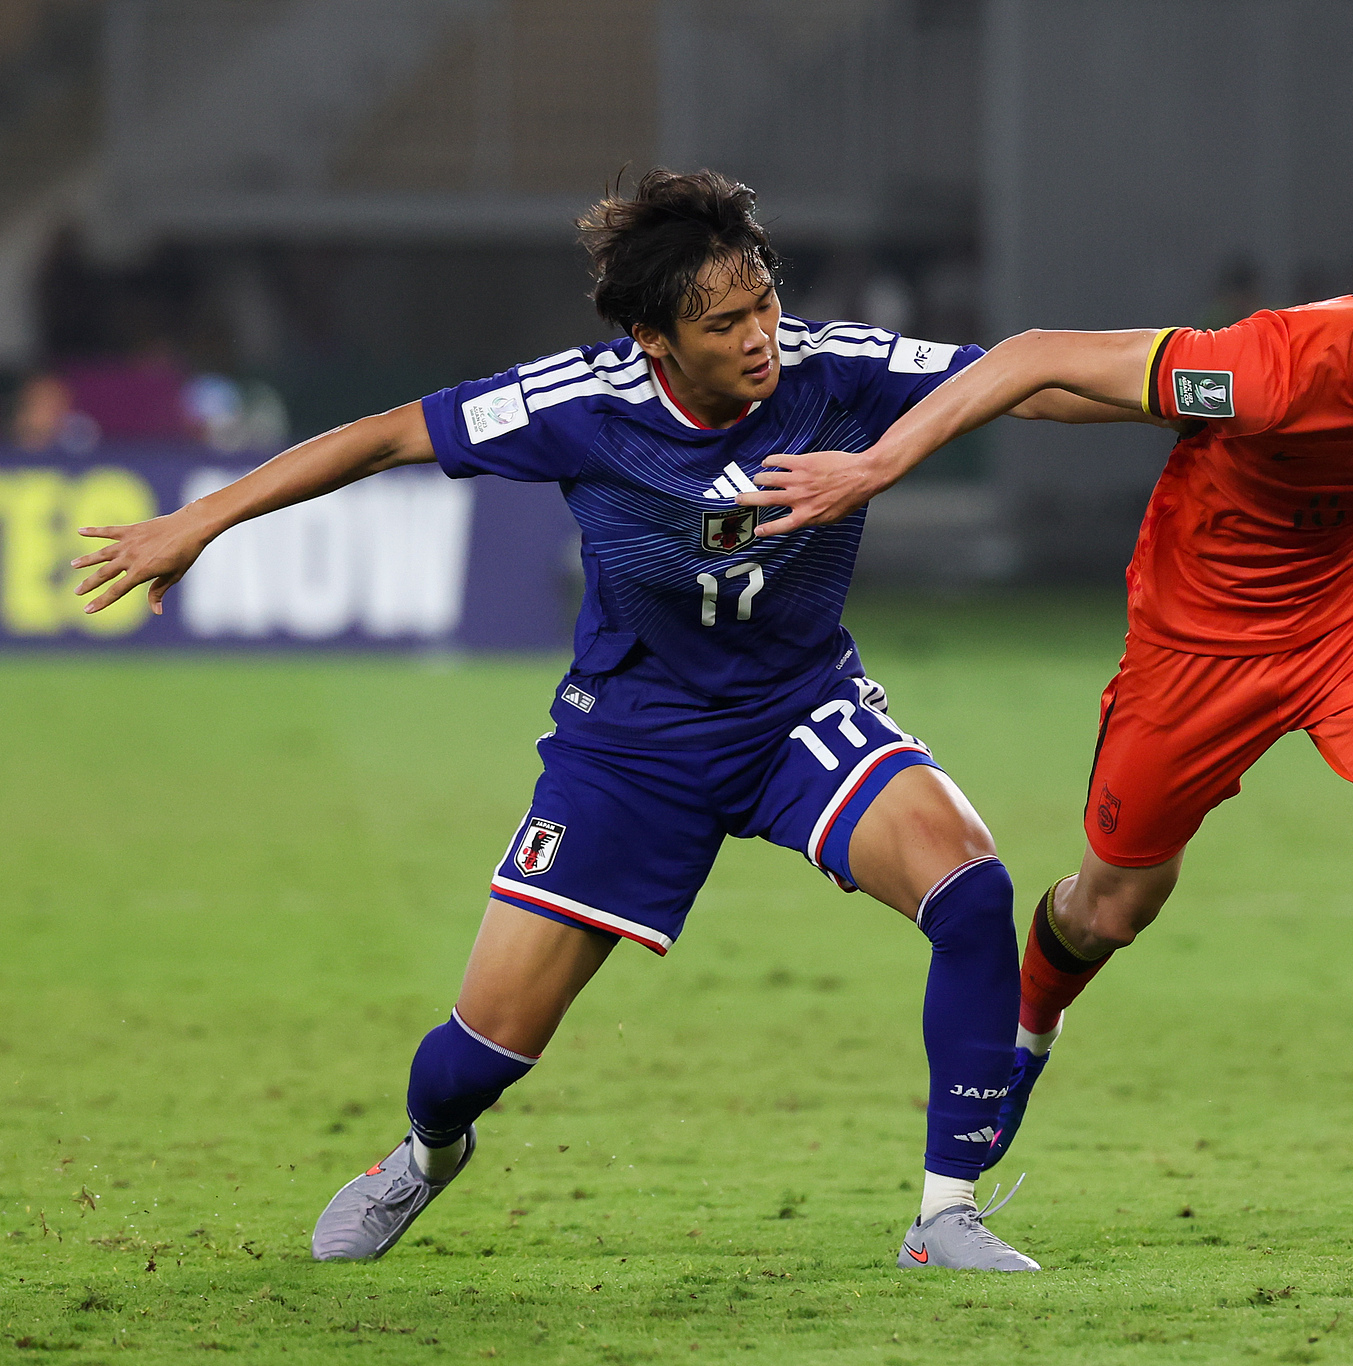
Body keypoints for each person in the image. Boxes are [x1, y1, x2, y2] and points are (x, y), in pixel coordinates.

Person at [68, 169, 1145, 1272]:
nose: (760, 337)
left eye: (764, 303)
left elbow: (1024, 380)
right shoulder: (579, 405)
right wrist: (199, 521)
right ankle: (424, 1157)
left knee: (970, 889)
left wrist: (1196, 387)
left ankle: (943, 1216)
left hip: (797, 713)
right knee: (476, 1055)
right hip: (630, 749)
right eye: (724, 323)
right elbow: (387, 438)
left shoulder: (835, 367)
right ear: (652, 338)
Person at [741, 195, 1353, 1245]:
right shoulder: (1259, 369)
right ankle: (1026, 1033)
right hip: (1194, 652)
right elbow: (1033, 359)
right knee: (1110, 906)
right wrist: (877, 465)